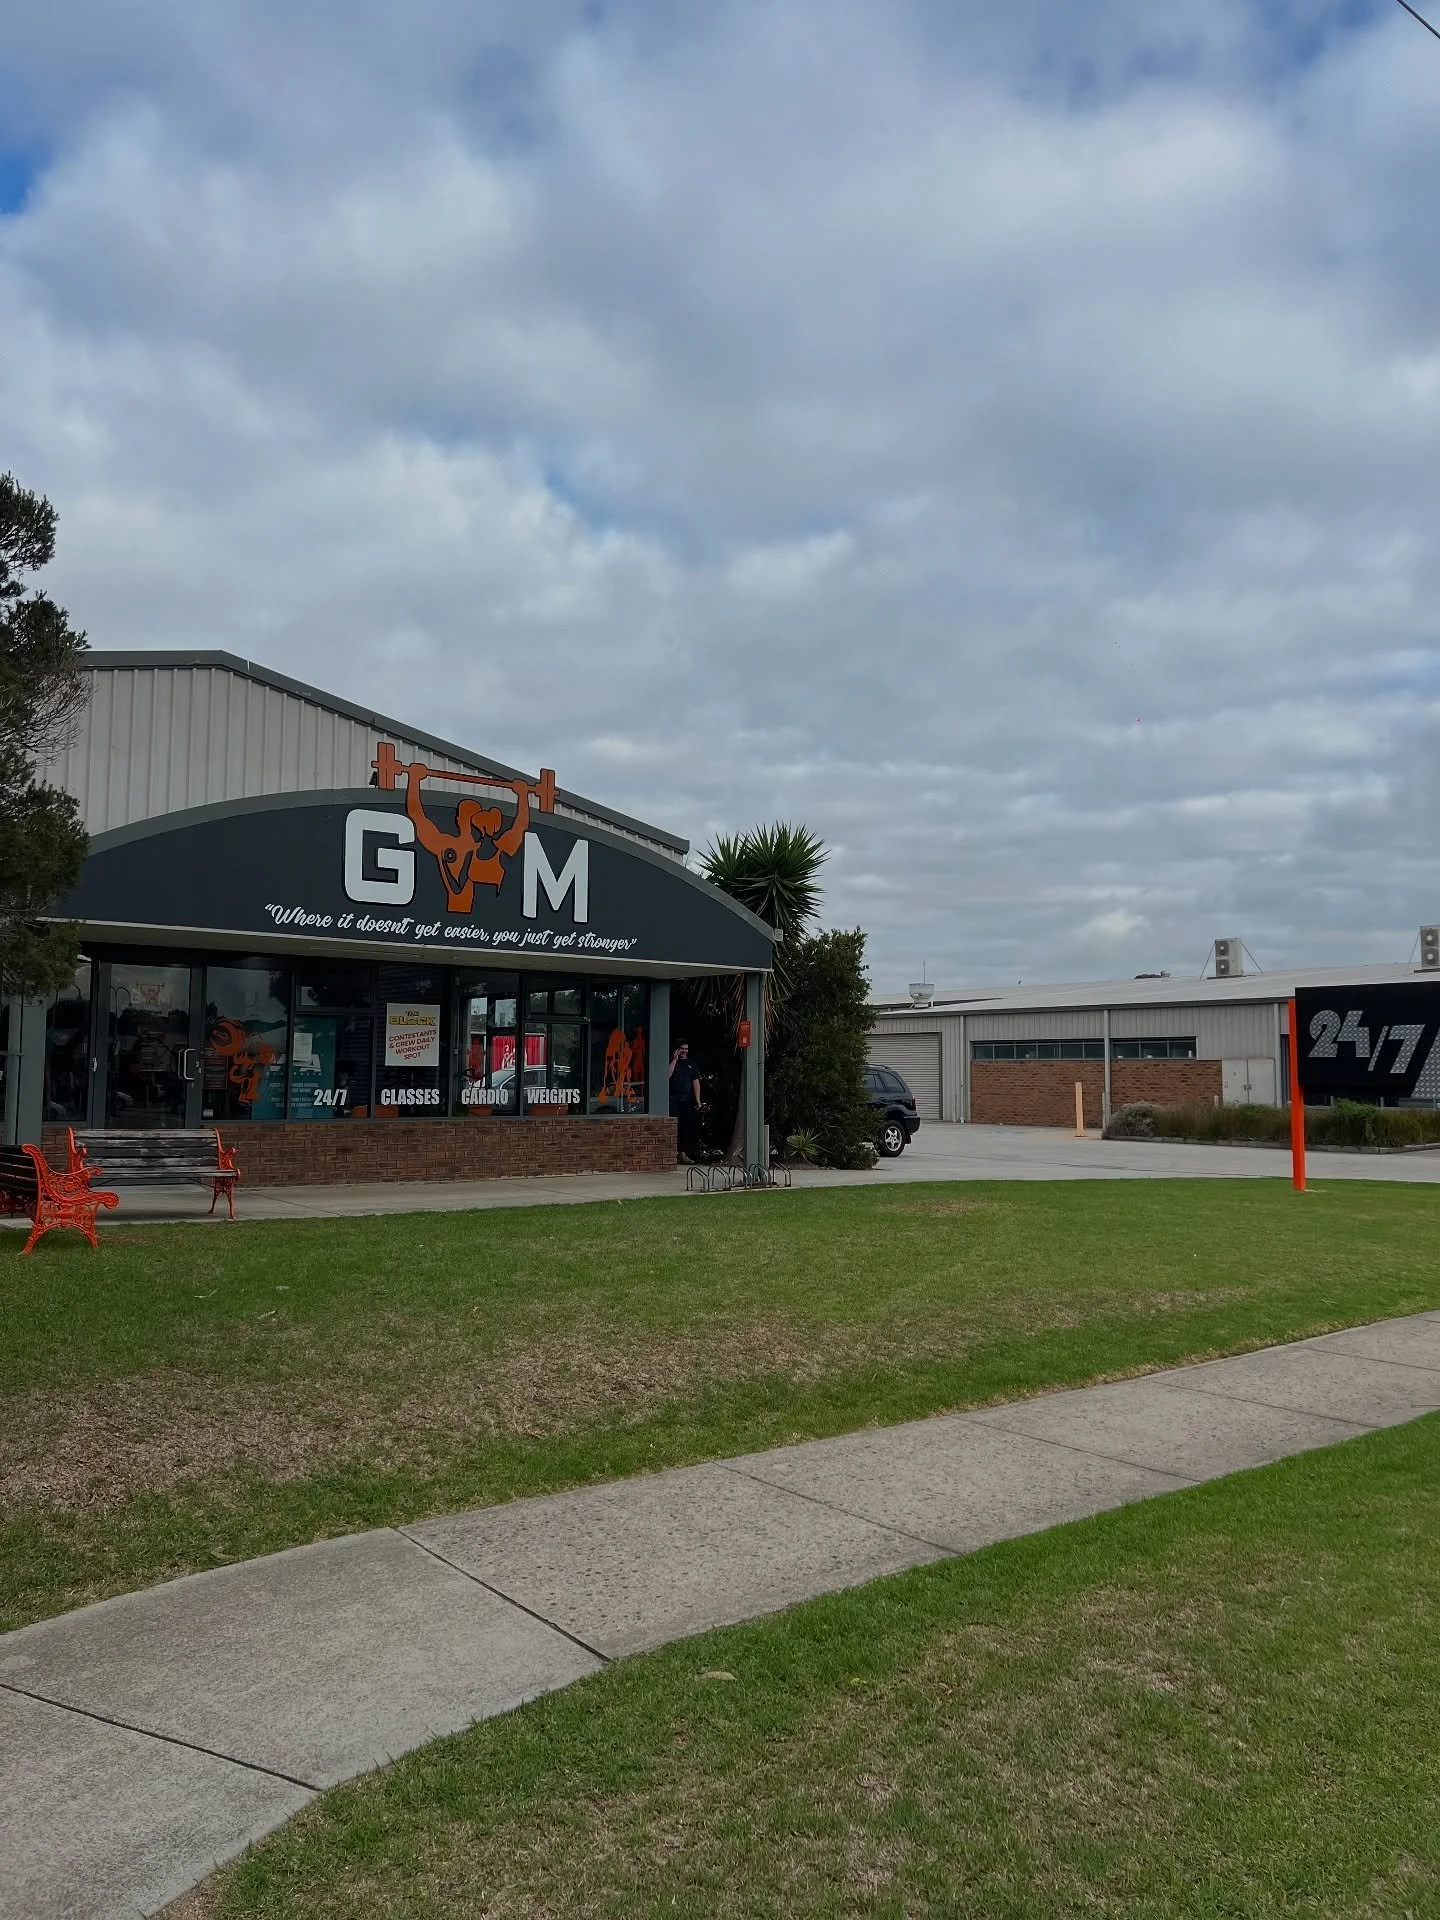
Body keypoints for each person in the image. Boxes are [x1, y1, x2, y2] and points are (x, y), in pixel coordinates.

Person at [668, 1039, 702, 1162]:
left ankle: (683, 1153)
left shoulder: (691, 1063)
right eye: (682, 1048)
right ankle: (672, 1153)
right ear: (677, 1049)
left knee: (686, 1126)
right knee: (673, 1125)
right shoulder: (673, 1062)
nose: (684, 1051)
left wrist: (697, 1099)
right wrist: (675, 1059)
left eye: (686, 1049)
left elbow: (695, 1081)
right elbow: (667, 1075)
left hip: (687, 1099)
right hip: (673, 1098)